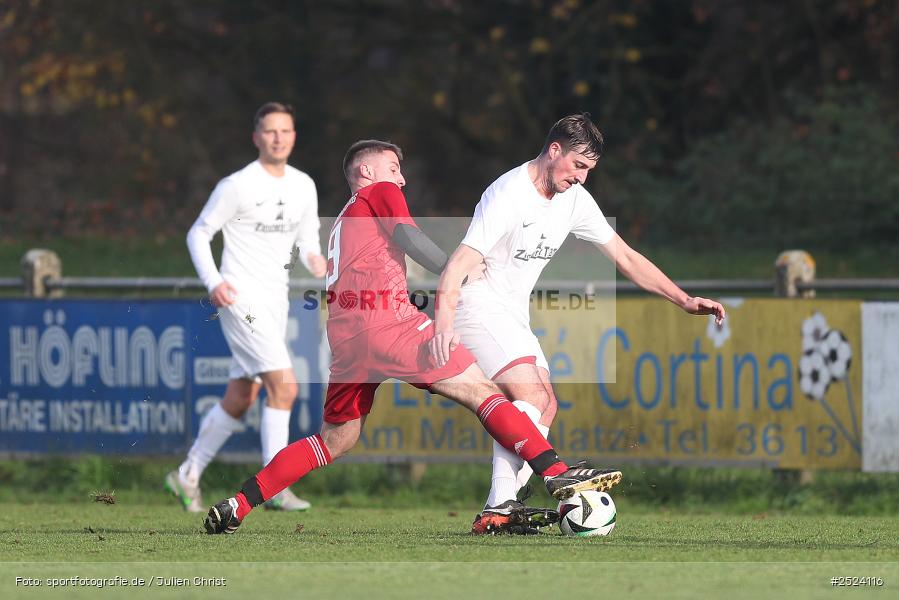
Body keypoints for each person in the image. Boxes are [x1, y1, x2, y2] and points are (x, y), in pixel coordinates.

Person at [203, 139, 622, 535]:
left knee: (335, 439)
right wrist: (451, 268)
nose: (400, 179)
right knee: (486, 392)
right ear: (367, 170)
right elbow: (408, 235)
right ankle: (554, 472)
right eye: (394, 168)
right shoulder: (378, 192)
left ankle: (239, 503)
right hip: (389, 325)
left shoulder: (344, 219)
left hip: (348, 343)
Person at [430, 113, 726, 534]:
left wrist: (682, 299)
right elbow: (458, 264)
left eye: (589, 170)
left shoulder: (574, 199)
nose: (583, 178)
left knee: (545, 402)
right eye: (578, 166)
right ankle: (499, 507)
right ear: (555, 151)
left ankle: (499, 509)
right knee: (530, 392)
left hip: (511, 309)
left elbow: (625, 257)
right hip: (476, 303)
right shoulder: (508, 193)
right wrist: (443, 321)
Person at [165, 102, 327, 513]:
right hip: (241, 300)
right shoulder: (236, 185)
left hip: (276, 301)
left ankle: (187, 475)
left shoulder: (303, 185)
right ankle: (274, 485)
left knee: (241, 396)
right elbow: (198, 234)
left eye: (285, 131)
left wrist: (322, 266)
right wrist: (214, 282)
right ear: (256, 137)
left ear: (294, 136)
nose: (278, 138)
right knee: (285, 387)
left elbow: (307, 242)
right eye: (270, 131)